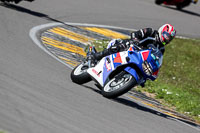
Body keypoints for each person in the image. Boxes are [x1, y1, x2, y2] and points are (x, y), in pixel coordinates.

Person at [91, 24, 176, 61]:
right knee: (121, 46)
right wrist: (136, 40)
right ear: (162, 31)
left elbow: (157, 60)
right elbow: (135, 34)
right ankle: (96, 56)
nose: (167, 39)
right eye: (166, 36)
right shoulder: (150, 32)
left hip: (139, 58)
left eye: (169, 39)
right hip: (131, 47)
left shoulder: (161, 49)